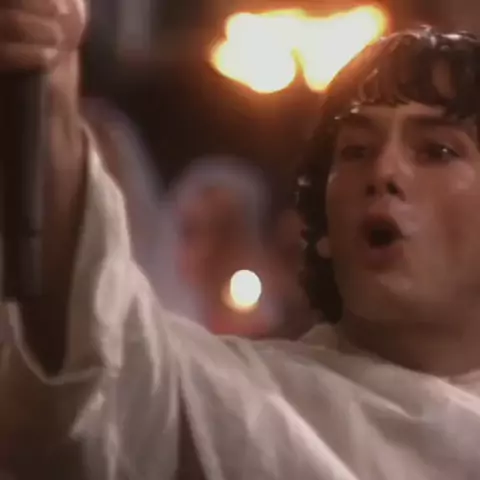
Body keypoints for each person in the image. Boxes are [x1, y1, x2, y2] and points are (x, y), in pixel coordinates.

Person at [2, 3, 480, 477]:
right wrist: (50, 90)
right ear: (326, 232)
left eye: (437, 150)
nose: (383, 170)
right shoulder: (244, 404)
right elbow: (103, 366)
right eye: (356, 150)